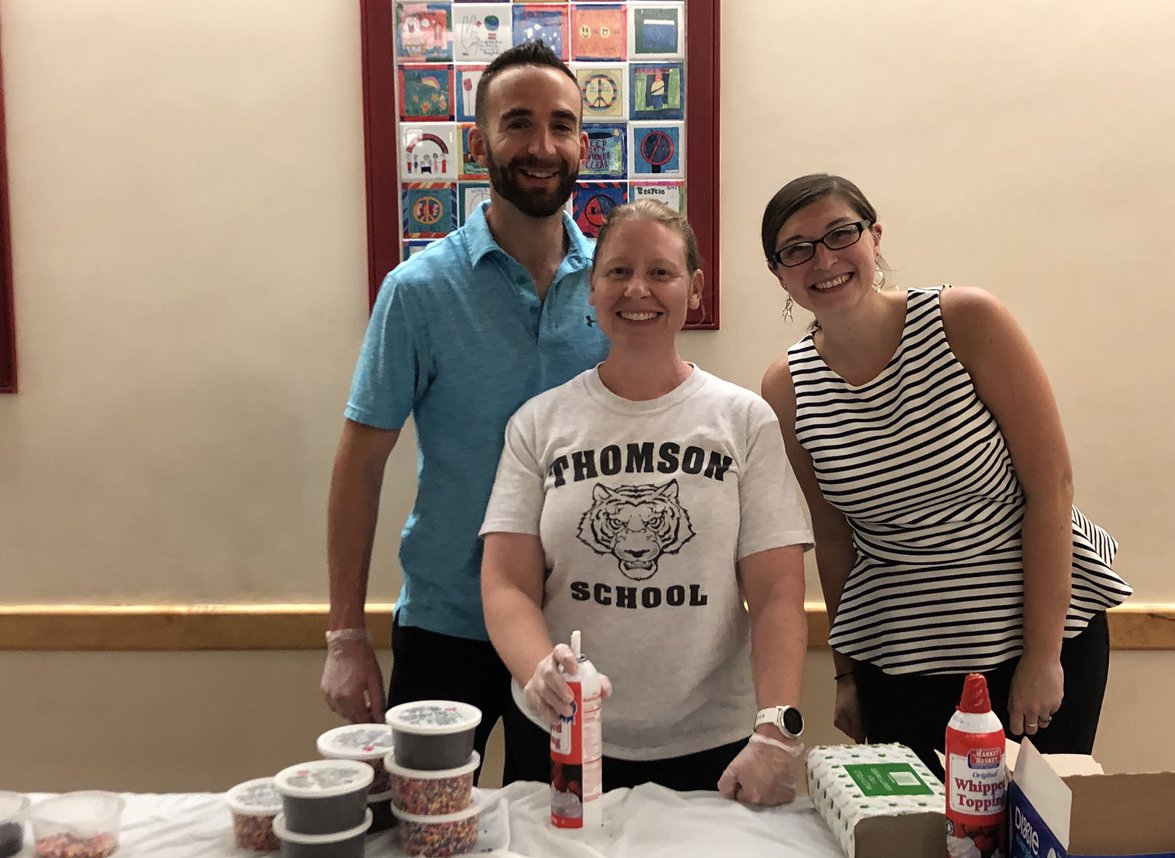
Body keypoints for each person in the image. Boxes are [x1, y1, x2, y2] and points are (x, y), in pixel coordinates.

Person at [759, 174, 1133, 777]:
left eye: (840, 234)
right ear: (780, 273)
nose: (823, 260)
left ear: (875, 237)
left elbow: (1051, 488)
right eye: (797, 249)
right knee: (924, 848)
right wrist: (847, 673)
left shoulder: (964, 319)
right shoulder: (786, 386)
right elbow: (833, 538)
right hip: (899, 652)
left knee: (1034, 844)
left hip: (1032, 635)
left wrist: (1043, 656)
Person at [320, 41, 609, 784]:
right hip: (446, 625)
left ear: (582, 143)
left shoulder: (617, 291)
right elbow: (359, 467)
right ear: (480, 143)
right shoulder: (417, 292)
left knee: (570, 846)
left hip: (581, 630)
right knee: (425, 839)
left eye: (561, 125)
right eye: (518, 124)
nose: (541, 147)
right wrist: (344, 635)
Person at [480, 200, 813, 806]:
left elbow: (777, 594)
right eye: (618, 271)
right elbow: (506, 582)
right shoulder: (538, 423)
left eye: (661, 271)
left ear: (695, 288)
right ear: (591, 286)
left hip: (713, 746)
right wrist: (536, 672)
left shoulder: (744, 420)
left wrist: (776, 728)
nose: (639, 289)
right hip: (559, 734)